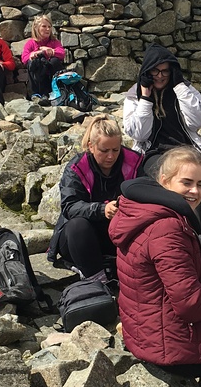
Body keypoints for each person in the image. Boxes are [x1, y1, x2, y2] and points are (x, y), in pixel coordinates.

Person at [109, 146, 201, 376]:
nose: (195, 191)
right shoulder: (168, 228)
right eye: (186, 183)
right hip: (177, 356)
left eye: (200, 184)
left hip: (144, 336)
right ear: (164, 181)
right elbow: (190, 306)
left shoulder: (144, 209)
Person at [123, 43, 201, 240]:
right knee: (181, 177)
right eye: (155, 71)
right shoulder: (135, 95)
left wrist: (179, 86)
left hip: (188, 149)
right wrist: (146, 99)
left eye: (165, 71)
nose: (160, 76)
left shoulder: (184, 88)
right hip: (154, 154)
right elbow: (138, 134)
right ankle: (192, 236)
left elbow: (198, 120)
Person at [48, 116, 141, 280]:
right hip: (80, 237)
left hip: (120, 231)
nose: (111, 156)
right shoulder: (76, 167)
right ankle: (98, 279)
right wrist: (102, 209)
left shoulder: (134, 162)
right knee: (78, 226)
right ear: (91, 146)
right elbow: (70, 207)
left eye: (116, 150)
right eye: (104, 151)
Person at [20, 15, 65, 97]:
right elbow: (24, 58)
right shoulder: (31, 43)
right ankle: (37, 94)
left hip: (51, 75)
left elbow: (62, 53)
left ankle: (58, 91)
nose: (48, 29)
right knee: (34, 61)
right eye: (44, 26)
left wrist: (51, 51)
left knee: (54, 61)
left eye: (49, 26)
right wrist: (34, 54)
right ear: (36, 28)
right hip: (38, 78)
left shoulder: (54, 42)